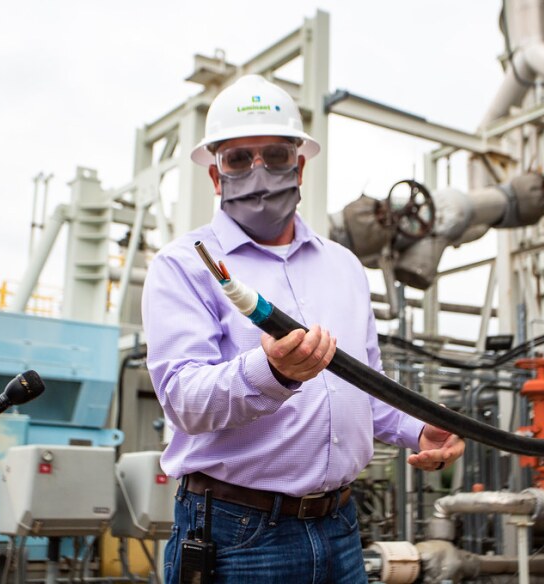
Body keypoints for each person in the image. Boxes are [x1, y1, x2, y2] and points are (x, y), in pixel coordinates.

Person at [141, 74, 465, 584]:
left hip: (339, 529)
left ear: (300, 164)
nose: (259, 172)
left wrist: (418, 427)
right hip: (237, 534)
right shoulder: (183, 266)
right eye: (238, 159)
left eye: (274, 155)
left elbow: (366, 384)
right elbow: (182, 399)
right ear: (214, 174)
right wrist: (270, 370)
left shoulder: (343, 266)